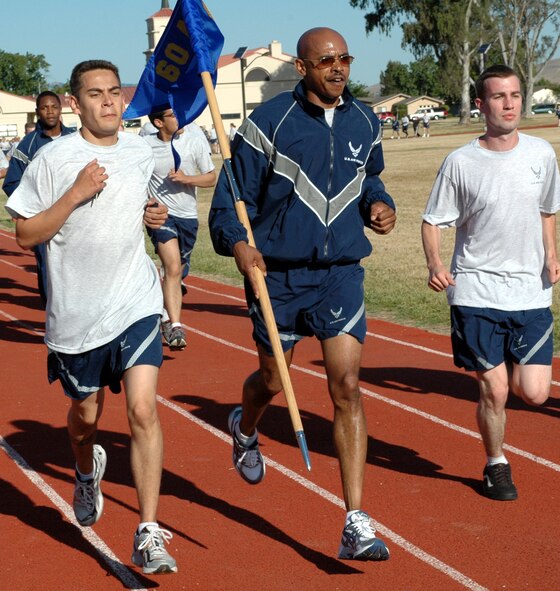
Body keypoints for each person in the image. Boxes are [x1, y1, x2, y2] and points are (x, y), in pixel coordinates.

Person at [209, 27, 396, 561]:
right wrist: (240, 249)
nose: (338, 68)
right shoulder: (266, 124)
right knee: (273, 378)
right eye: (326, 61)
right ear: (302, 65)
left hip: (339, 273)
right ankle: (245, 425)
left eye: (345, 59)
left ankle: (355, 520)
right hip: (280, 278)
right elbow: (228, 205)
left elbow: (371, 181)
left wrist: (378, 207)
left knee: (348, 386)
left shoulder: (365, 119)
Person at [5, 59, 177, 574]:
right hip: (77, 316)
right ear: (75, 104)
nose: (108, 102)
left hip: (136, 301)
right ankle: (86, 468)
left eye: (114, 93)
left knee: (143, 409)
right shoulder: (53, 160)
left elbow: (147, 200)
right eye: (96, 94)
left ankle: (148, 531)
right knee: (85, 421)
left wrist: (155, 214)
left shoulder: (142, 149)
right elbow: (26, 234)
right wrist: (76, 194)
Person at [421, 65, 560, 502]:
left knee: (535, 393)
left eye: (515, 95)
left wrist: (553, 257)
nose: (509, 104)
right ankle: (496, 463)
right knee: (496, 389)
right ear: (481, 105)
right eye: (499, 97)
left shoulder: (542, 154)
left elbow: (547, 211)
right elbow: (432, 221)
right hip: (477, 292)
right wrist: (434, 263)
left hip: (531, 291)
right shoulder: (461, 162)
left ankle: (503, 382)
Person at [145, 109, 216, 350]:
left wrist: (188, 179)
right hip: (162, 216)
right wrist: (146, 204)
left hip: (188, 217)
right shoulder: (145, 147)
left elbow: (211, 178)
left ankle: (163, 310)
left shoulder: (194, 139)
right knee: (172, 267)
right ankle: (175, 325)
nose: (180, 117)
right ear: (158, 122)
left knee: (178, 271)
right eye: (173, 115)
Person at [3, 91, 76, 305]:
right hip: (43, 218)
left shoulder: (76, 137)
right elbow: (12, 182)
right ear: (37, 112)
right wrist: (31, 209)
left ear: (60, 109)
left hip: (75, 216)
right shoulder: (27, 144)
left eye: (54, 106)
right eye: (45, 107)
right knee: (49, 267)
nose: (50, 111)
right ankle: (53, 309)